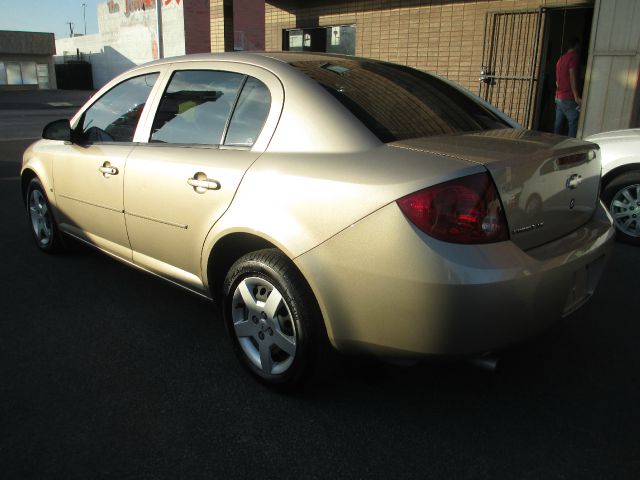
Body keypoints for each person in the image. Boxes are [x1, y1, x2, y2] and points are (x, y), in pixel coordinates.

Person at [554, 37, 582, 137]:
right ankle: (571, 147)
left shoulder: (560, 59)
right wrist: (576, 96)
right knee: (574, 120)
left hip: (559, 96)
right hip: (568, 96)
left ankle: (553, 143)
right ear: (576, 45)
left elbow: (557, 81)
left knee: (558, 124)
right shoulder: (574, 57)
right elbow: (572, 75)